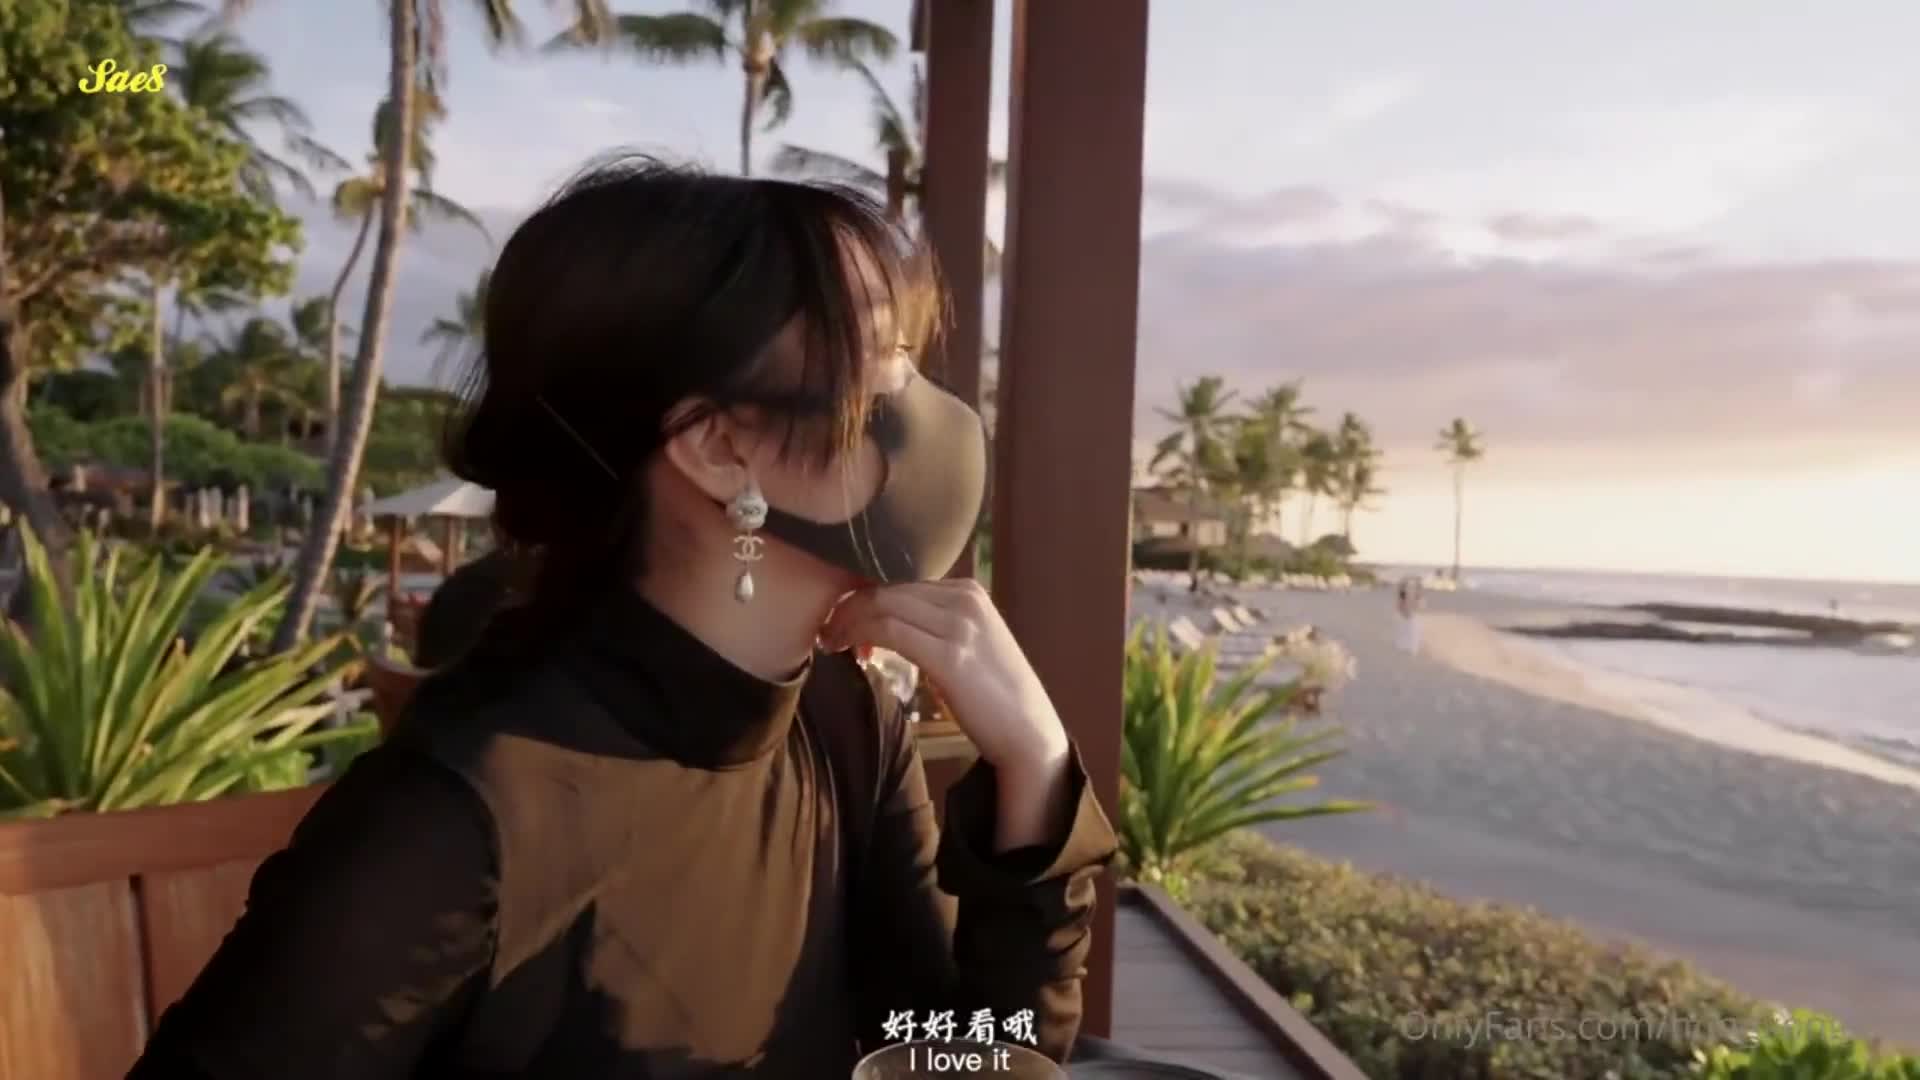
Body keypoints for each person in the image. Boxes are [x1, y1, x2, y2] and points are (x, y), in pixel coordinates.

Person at [129, 156, 1115, 1079]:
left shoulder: (843, 723)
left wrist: (1034, 771)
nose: (931, 405)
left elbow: (960, 1055)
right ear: (719, 448)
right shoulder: (453, 823)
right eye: (882, 358)